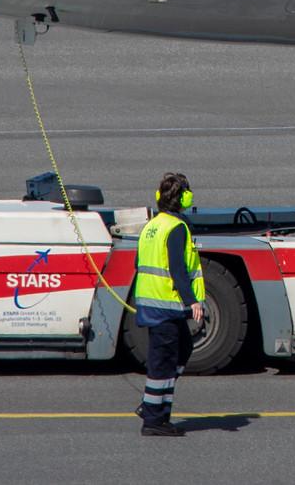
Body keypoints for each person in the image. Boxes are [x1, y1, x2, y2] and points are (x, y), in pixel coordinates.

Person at [131, 171, 205, 437]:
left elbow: (138, 263)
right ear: (185, 198)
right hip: (166, 305)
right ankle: (154, 419)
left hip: (153, 303)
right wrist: (192, 301)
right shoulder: (176, 228)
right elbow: (177, 269)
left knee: (181, 350)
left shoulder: (151, 226)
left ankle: (153, 406)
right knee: (162, 364)